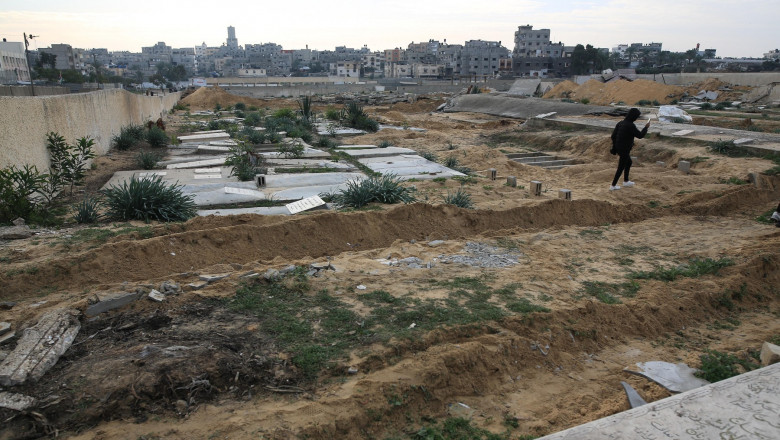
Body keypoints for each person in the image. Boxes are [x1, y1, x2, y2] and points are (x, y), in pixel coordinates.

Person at [610, 108, 649, 190]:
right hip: (624, 149)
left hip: (619, 147)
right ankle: (613, 186)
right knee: (621, 167)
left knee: (629, 162)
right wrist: (646, 127)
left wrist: (615, 146)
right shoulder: (630, 125)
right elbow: (640, 135)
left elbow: (613, 136)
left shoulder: (621, 123)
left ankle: (626, 181)